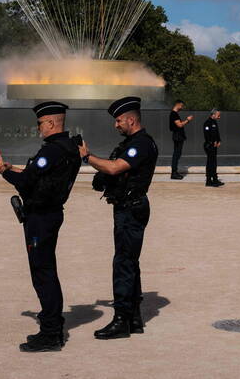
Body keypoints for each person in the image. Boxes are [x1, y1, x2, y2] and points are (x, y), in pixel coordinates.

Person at [0, 101, 81, 352]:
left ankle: (50, 333)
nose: (38, 128)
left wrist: (1, 171)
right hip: (50, 214)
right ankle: (52, 325)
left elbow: (28, 181)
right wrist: (8, 167)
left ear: (50, 123)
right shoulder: (70, 147)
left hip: (41, 217)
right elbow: (38, 175)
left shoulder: (51, 151)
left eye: (40, 123)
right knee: (46, 270)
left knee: (43, 273)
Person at [81, 96, 159, 340]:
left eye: (118, 120)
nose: (116, 125)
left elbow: (115, 168)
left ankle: (121, 321)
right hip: (128, 207)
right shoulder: (132, 143)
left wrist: (87, 156)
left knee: (123, 264)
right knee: (129, 262)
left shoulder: (141, 144)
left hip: (131, 209)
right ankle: (133, 317)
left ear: (131, 120)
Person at [167, 100, 193, 180]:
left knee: (177, 154)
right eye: (181, 105)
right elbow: (179, 125)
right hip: (177, 136)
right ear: (177, 105)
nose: (182, 107)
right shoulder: (174, 114)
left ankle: (175, 172)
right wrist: (188, 120)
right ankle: (174, 173)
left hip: (178, 135)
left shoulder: (174, 114)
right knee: (176, 154)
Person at [202, 109, 223, 187]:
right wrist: (212, 141)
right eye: (218, 115)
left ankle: (214, 179)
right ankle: (208, 180)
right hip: (209, 145)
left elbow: (216, 133)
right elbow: (206, 135)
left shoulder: (214, 122)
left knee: (214, 163)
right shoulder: (207, 123)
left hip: (214, 145)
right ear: (213, 114)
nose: (219, 117)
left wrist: (219, 140)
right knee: (210, 163)